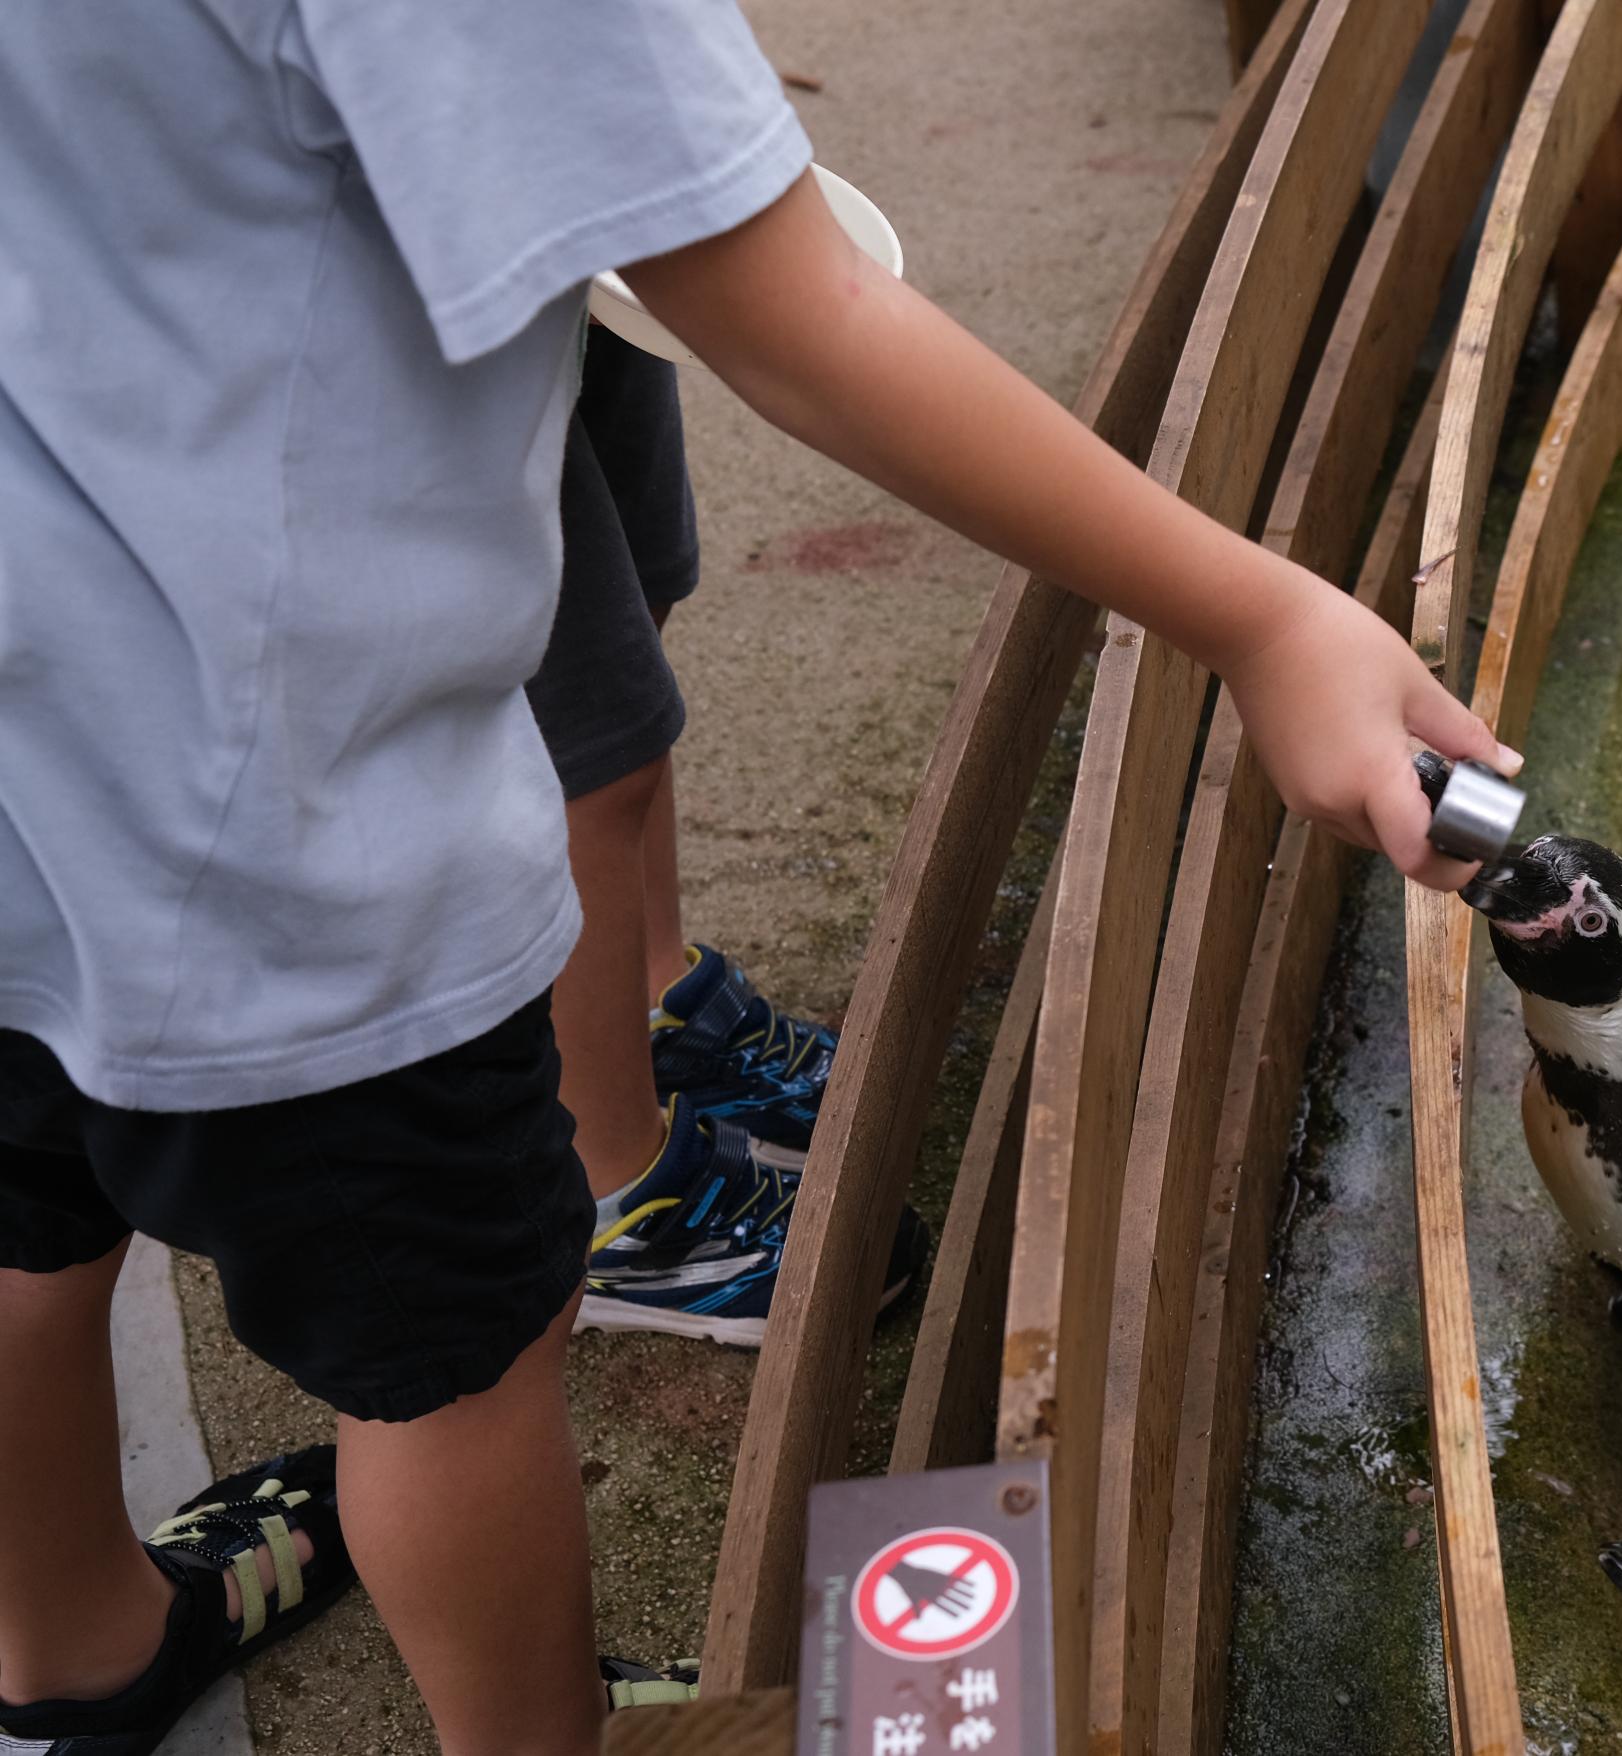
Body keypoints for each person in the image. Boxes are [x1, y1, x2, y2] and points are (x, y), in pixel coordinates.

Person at [0, 9, 1513, 1756]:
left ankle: (68, 1652)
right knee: (455, 1345)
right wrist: (1259, 613)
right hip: (278, 827)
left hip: (43, 718)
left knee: (37, 1205)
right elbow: (797, 314)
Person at [532, 325, 918, 1346]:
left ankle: (657, 1016)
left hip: (579, 261)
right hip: (417, 287)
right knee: (582, 734)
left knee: (636, 584)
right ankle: (617, 1200)